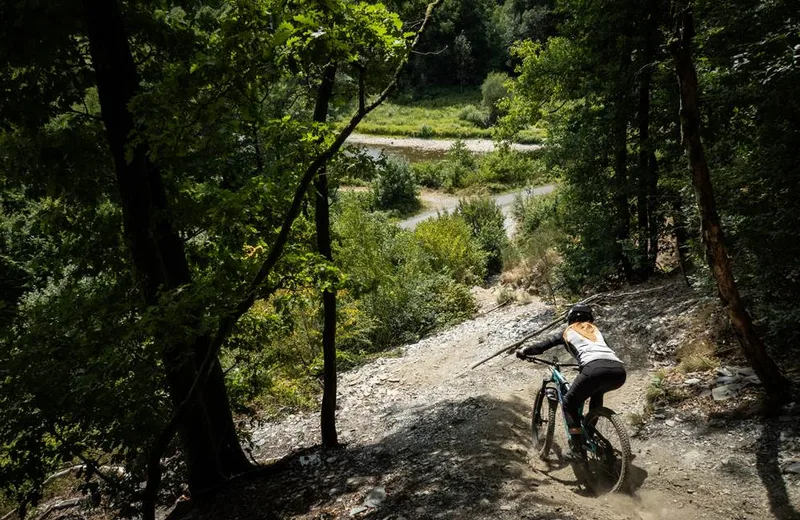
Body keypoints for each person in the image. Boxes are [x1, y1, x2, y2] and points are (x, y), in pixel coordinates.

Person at [516, 303, 626, 461]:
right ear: (590, 319)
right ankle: (590, 431)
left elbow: (542, 346)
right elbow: (602, 351)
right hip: (618, 371)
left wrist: (524, 351)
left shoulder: (568, 331)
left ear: (570, 319)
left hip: (593, 369)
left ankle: (577, 449)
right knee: (597, 390)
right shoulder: (596, 331)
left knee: (568, 403)